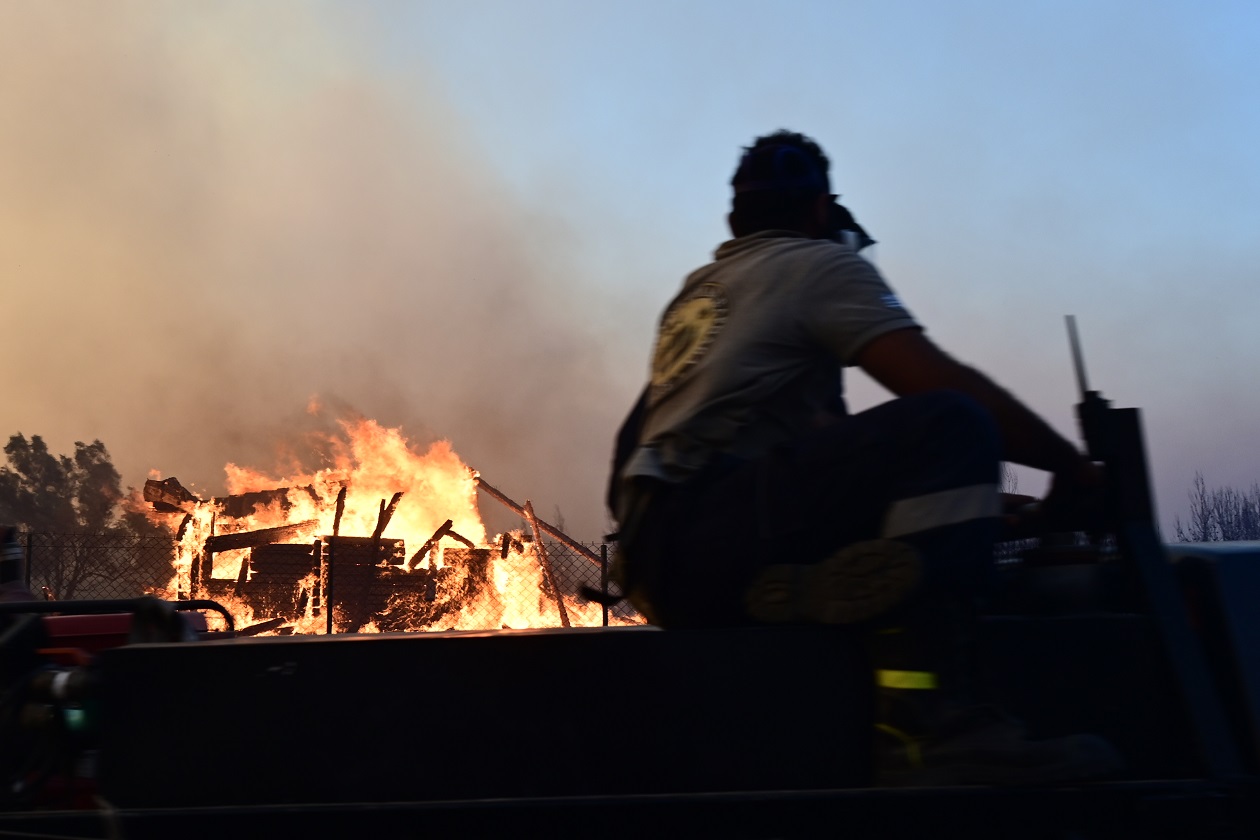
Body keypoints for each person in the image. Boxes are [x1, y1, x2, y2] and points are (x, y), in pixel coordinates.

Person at [607, 129, 1121, 786]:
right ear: (822, 211)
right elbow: (939, 388)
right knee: (954, 423)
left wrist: (984, 519)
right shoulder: (814, 266)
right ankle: (927, 731)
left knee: (915, 478)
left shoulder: (703, 293)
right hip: (715, 525)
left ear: (737, 218)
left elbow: (841, 461)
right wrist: (1070, 467)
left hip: (669, 564)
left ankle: (797, 594)